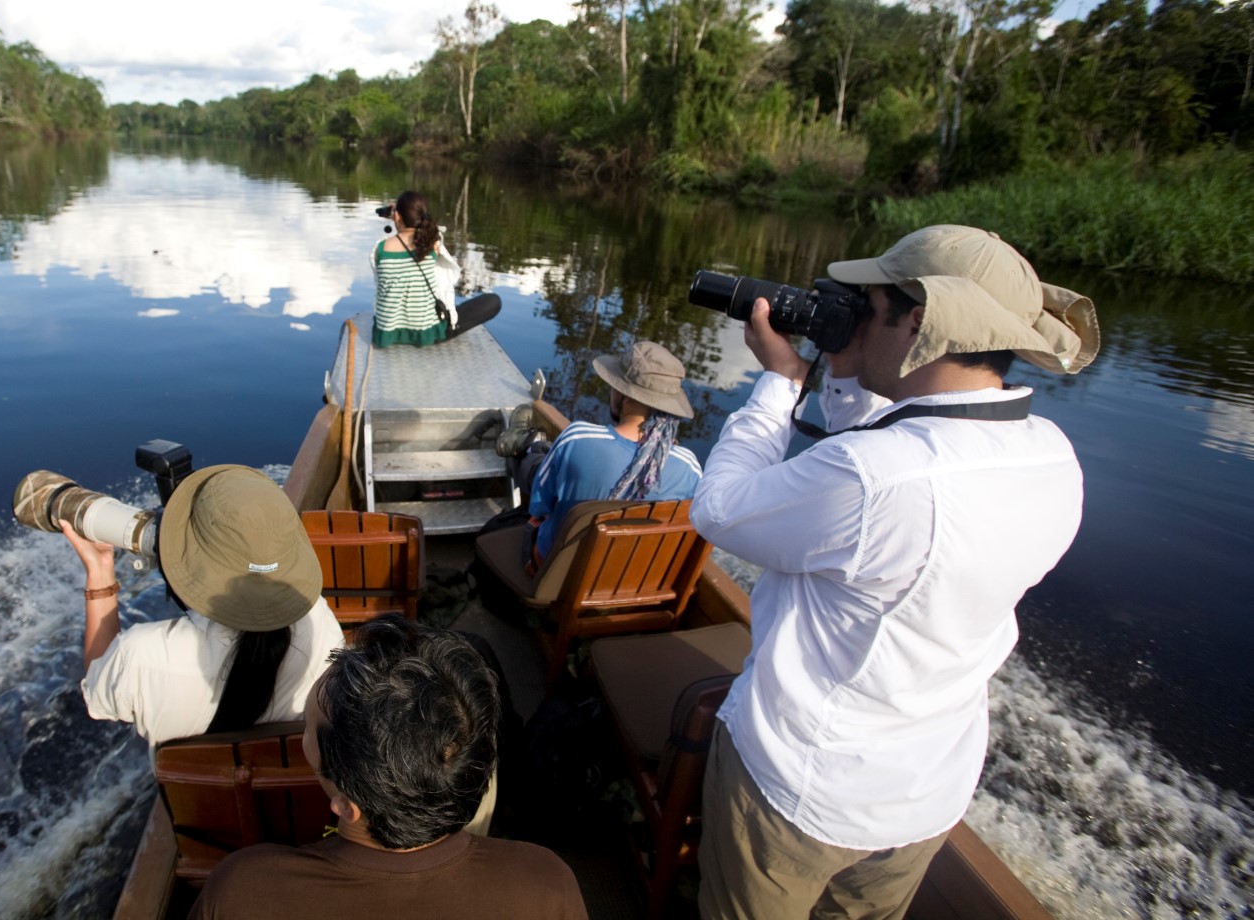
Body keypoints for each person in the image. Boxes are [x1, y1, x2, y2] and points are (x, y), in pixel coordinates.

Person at [688, 225, 1100, 920]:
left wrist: (779, 384)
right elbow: (895, 455)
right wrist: (850, 377)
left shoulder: (875, 479)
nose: (852, 315)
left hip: (801, 790)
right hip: (925, 795)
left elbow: (719, 509)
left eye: (868, 302)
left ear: (919, 318)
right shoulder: (1052, 457)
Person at [189, 615, 588, 920]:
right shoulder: (546, 883)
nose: (303, 737)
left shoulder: (242, 891)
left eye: (307, 729)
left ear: (348, 806)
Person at [61, 464, 345, 748]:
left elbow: (98, 690)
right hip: (283, 786)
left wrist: (100, 571)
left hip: (193, 794)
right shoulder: (320, 624)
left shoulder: (140, 655)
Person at [526, 339, 702, 564]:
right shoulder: (689, 468)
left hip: (556, 574)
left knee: (531, 464)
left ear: (626, 397)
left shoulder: (577, 438)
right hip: (633, 584)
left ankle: (524, 446)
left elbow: (539, 506)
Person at [370, 190, 500, 348]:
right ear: (422, 217)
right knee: (493, 301)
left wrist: (396, 217)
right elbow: (431, 231)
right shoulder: (432, 244)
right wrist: (402, 216)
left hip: (386, 332)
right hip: (426, 333)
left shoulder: (381, 248)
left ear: (396, 216)